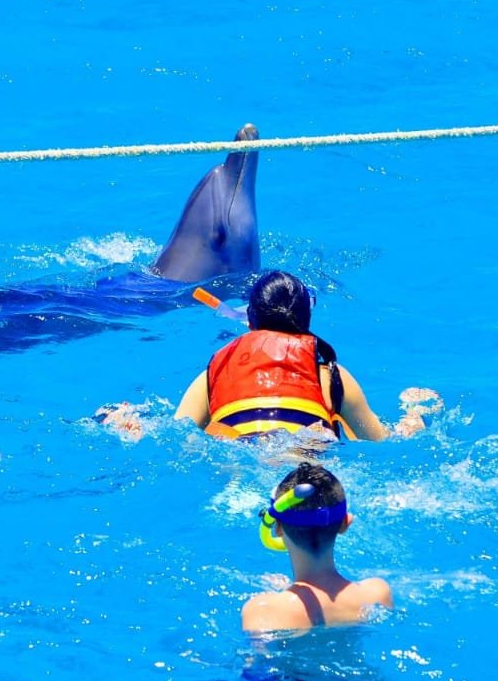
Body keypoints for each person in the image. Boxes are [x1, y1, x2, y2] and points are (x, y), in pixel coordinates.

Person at [174, 270, 438, 441]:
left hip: (238, 471)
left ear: (250, 322)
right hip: (305, 470)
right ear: (306, 321)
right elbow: (381, 440)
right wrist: (413, 416)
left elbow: (179, 435)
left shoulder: (214, 376)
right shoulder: (331, 378)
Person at [241, 462, 393, 633]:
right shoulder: (377, 593)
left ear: (278, 528)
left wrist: (287, 594)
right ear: (345, 523)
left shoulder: (263, 610)